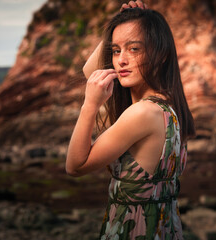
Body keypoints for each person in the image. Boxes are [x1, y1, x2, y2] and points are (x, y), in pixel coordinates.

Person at [66, 0, 195, 238]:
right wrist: (125, 23)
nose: (121, 60)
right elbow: (91, 72)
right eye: (116, 51)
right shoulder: (169, 106)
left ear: (161, 54)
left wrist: (90, 105)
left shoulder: (142, 113)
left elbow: (75, 166)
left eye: (134, 49)